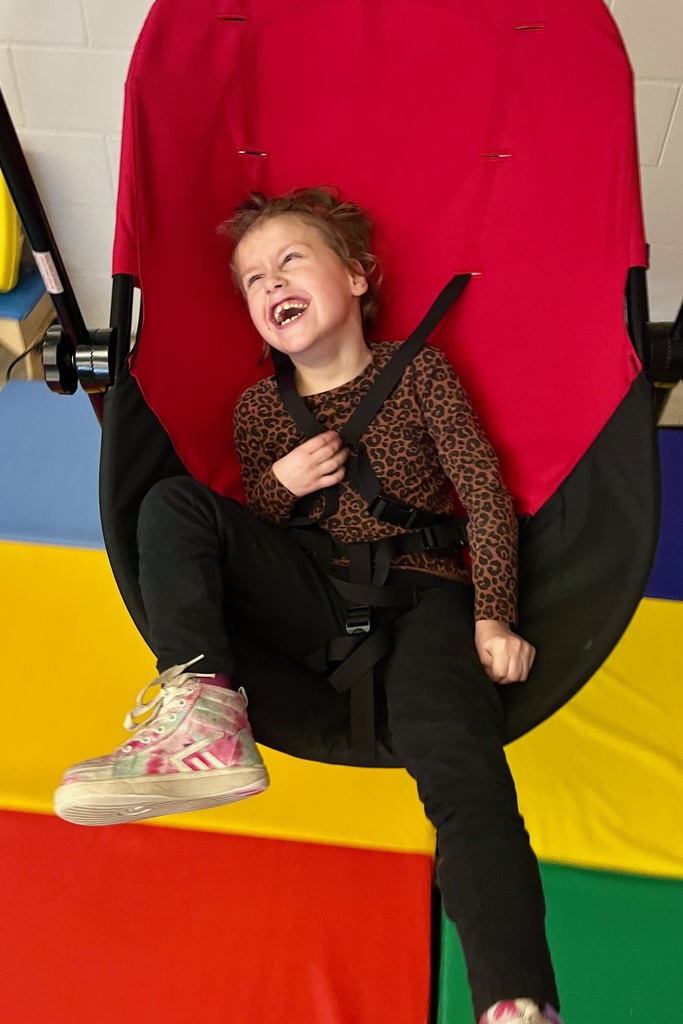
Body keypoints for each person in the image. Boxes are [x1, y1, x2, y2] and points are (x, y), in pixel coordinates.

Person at [55, 187, 563, 1024]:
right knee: (171, 505)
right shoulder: (260, 409)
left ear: (357, 277)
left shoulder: (419, 373)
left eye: (290, 260)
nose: (271, 283)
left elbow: (482, 493)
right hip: (314, 599)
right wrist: (277, 486)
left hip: (426, 598)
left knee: (462, 769)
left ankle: (516, 1002)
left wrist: (493, 615)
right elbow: (254, 533)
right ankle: (204, 717)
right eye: (253, 279)